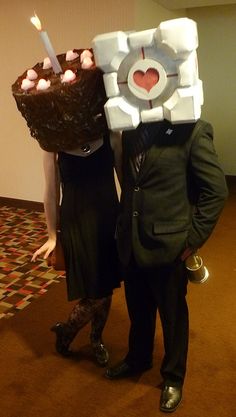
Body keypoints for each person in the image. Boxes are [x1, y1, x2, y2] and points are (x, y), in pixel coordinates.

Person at [105, 119, 228, 411]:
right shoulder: (132, 127)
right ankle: (138, 358)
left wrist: (193, 239)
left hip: (170, 246)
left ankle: (173, 376)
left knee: (172, 315)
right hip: (132, 240)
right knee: (138, 307)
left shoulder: (194, 130)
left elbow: (216, 191)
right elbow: (132, 182)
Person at [32, 131, 122, 366]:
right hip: (75, 222)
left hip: (108, 219)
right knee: (96, 291)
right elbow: (51, 193)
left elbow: (127, 183)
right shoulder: (53, 144)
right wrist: (52, 235)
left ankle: (96, 339)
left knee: (105, 285)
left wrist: (129, 220)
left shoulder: (112, 136)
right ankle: (68, 331)